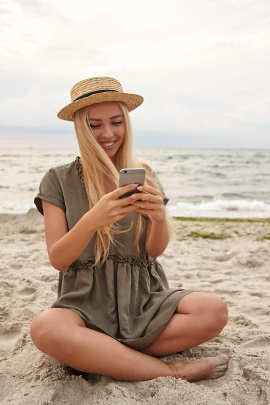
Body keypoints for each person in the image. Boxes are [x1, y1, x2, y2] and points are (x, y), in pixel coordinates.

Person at [31, 76, 229, 382]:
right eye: (95, 125)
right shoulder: (57, 179)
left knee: (213, 310)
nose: (107, 134)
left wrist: (160, 217)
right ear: (81, 128)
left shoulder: (145, 174)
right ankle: (170, 371)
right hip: (84, 304)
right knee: (46, 328)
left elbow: (154, 250)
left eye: (116, 122)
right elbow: (59, 259)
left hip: (143, 300)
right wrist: (93, 219)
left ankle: (104, 356)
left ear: (127, 122)